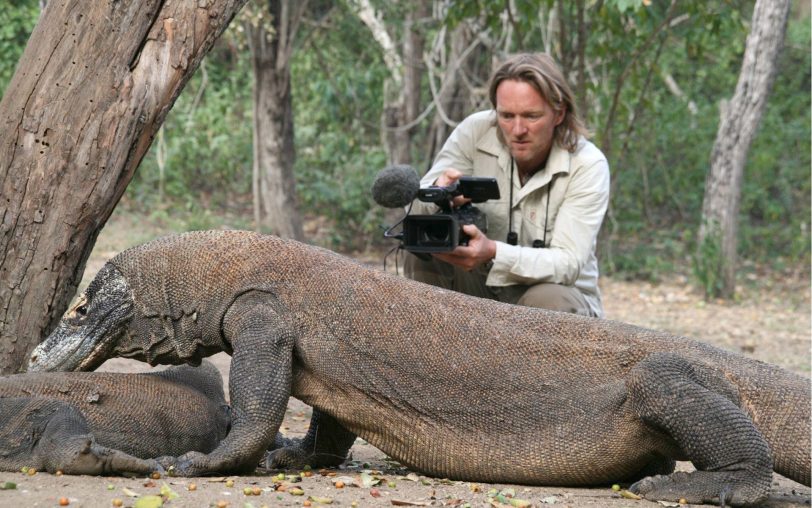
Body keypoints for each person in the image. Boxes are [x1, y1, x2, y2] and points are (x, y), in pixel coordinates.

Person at [404, 53, 610, 317]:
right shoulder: (474, 132)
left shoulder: (587, 164)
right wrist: (438, 197)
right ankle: (431, 356)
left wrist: (492, 252)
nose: (517, 129)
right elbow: (416, 214)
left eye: (531, 116)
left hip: (552, 293)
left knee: (551, 300)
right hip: (479, 283)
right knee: (423, 253)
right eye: (506, 116)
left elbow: (567, 264)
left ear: (559, 114)